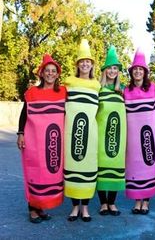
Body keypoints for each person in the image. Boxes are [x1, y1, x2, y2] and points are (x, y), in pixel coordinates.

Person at [17, 54, 66, 223]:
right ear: (42, 73)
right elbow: (24, 114)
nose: (50, 74)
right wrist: (20, 134)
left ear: (57, 74)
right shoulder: (32, 93)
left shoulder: (63, 92)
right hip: (34, 140)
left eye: (53, 71)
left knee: (48, 174)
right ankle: (33, 209)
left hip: (54, 143)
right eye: (47, 71)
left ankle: (41, 207)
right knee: (35, 172)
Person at [64, 39, 100, 222]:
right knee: (73, 166)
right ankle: (74, 207)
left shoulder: (96, 85)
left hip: (90, 134)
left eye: (88, 61)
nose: (85, 64)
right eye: (82, 61)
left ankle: (84, 208)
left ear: (91, 65)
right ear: (78, 64)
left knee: (87, 167)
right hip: (72, 134)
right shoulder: (68, 83)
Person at [124, 48, 155, 214]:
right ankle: (137, 200)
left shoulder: (154, 88)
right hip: (132, 135)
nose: (138, 72)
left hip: (150, 132)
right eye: (135, 70)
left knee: (149, 162)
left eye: (140, 69)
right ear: (131, 72)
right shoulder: (126, 90)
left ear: (145, 72)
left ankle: (145, 201)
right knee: (134, 167)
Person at [96, 45, 126, 216]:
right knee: (101, 168)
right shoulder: (98, 89)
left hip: (117, 136)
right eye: (110, 68)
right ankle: (103, 203)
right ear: (105, 70)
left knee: (115, 166)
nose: (112, 71)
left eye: (115, 68)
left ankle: (112, 203)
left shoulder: (122, 91)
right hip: (100, 134)